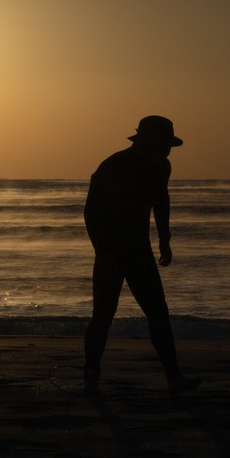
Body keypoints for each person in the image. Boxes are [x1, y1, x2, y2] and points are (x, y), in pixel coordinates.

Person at [82, 116, 200, 393]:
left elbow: (161, 200)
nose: (168, 151)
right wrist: (103, 252)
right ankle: (90, 371)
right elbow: (91, 212)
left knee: (158, 313)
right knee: (103, 315)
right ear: (149, 142)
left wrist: (165, 239)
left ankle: (174, 378)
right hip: (111, 250)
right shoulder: (113, 166)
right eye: (164, 144)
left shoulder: (162, 167)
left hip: (139, 249)